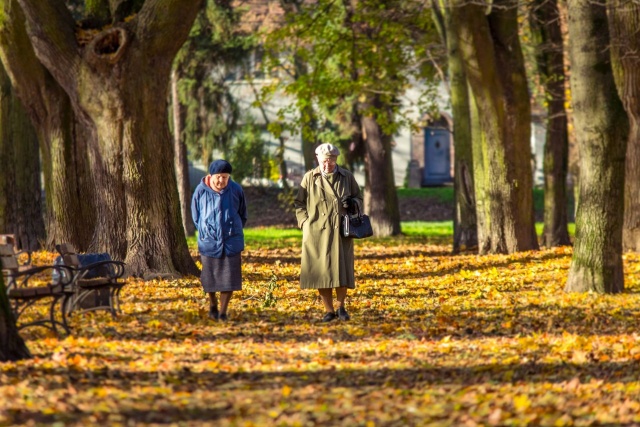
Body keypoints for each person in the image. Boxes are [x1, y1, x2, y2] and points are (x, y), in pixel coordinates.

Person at [294, 143, 364, 322]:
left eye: (331, 161)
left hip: (341, 230)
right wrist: (304, 223)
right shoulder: (310, 177)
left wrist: (353, 202)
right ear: (318, 159)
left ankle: (341, 308)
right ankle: (329, 310)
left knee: (342, 270)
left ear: (336, 160)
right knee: (321, 272)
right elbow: (299, 204)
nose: (328, 165)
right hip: (316, 232)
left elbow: (359, 197)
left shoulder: (346, 176)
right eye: (324, 161)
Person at [191, 159, 247, 321]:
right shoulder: (200, 191)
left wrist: (233, 229)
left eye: (225, 177)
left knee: (229, 280)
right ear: (211, 175)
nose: (221, 180)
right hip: (209, 241)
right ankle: (213, 303)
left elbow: (243, 214)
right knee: (210, 279)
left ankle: (222, 312)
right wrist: (206, 229)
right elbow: (196, 216)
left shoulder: (236, 189)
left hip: (231, 242)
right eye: (218, 176)